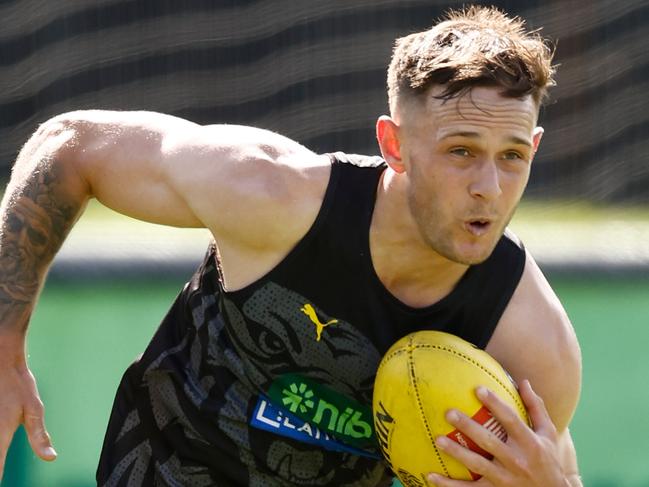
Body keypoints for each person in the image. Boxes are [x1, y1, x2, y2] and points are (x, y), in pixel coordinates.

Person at [0, 5, 582, 487]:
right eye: (460, 151)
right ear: (394, 145)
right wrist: (3, 344)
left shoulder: (532, 344)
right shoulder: (272, 195)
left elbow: (553, 463)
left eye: (512, 157)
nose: (489, 187)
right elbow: (70, 147)